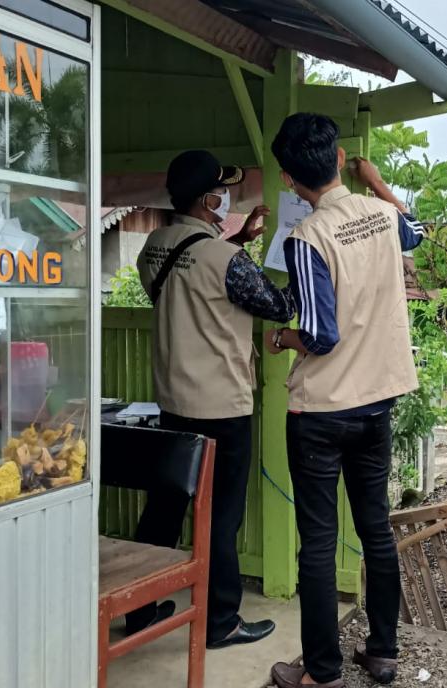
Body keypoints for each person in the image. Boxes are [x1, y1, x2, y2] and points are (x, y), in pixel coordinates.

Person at [264, 113, 424, 688]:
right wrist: (377, 181)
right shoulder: (383, 215)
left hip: (322, 410)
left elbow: (319, 335)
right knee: (374, 525)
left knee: (318, 540)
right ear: (337, 160)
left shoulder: (306, 238)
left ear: (288, 179)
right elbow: (417, 233)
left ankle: (323, 673)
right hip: (377, 402)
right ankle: (382, 651)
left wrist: (280, 339)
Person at [129, 149, 296, 649]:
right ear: (207, 200)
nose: (227, 198)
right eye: (222, 191)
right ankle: (221, 621)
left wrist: (237, 241)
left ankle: (137, 608)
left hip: (173, 403)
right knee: (221, 516)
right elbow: (278, 305)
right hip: (222, 408)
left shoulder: (153, 247)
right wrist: (294, 259)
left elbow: (191, 279)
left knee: (165, 507)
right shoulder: (226, 260)